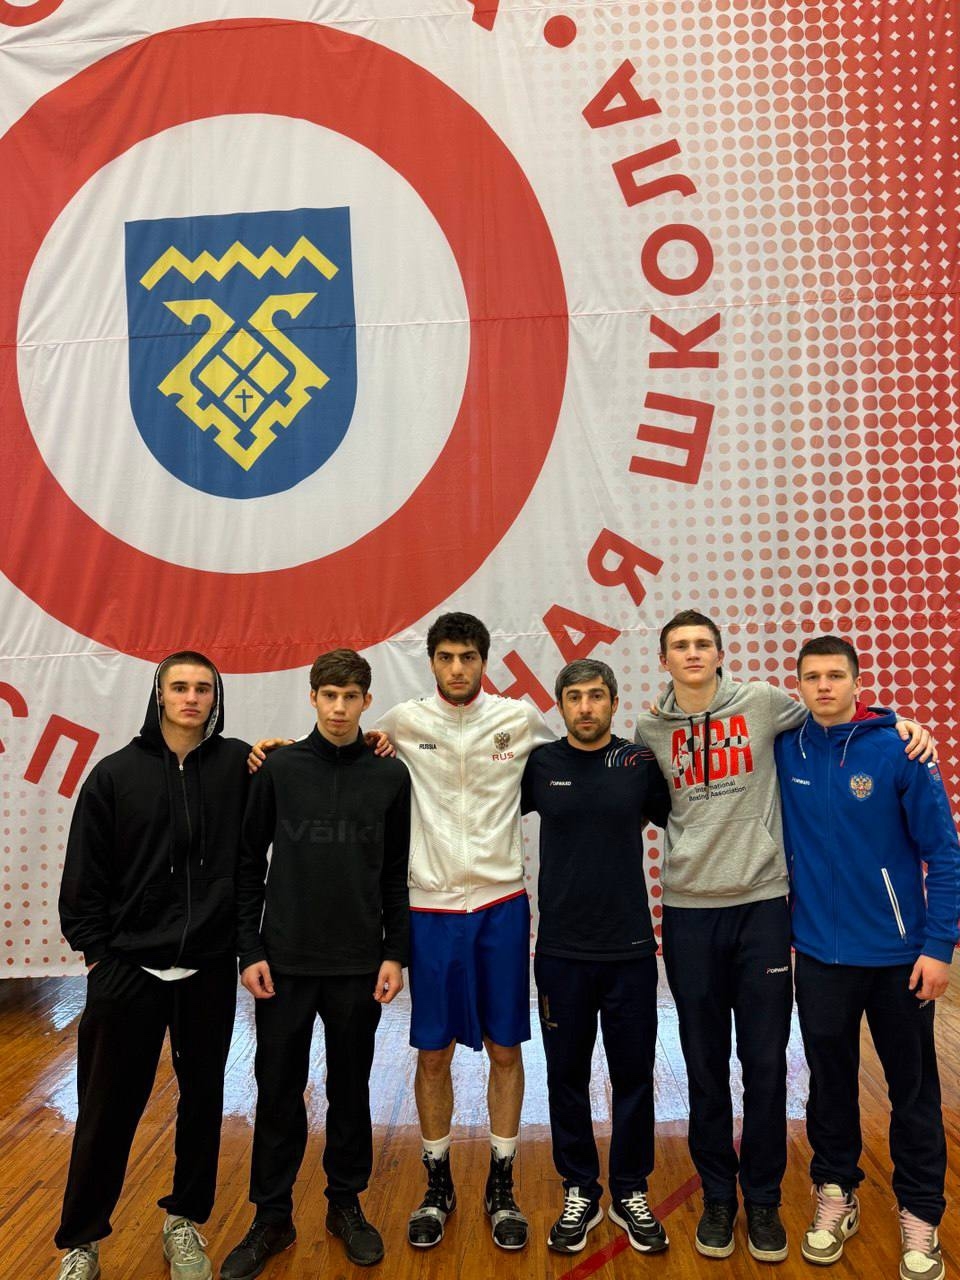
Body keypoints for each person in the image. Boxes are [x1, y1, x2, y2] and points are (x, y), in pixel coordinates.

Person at [633, 610, 932, 1265]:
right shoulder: (650, 730)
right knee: (704, 1065)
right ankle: (719, 1198)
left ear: (720, 653)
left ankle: (763, 1200)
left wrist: (900, 723)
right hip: (688, 912)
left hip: (763, 909)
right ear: (664, 660)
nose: (692, 653)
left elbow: (839, 718)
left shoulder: (765, 704)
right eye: (680, 646)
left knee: (765, 1065)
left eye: (702, 644)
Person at [55, 652, 250, 1280]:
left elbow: (302, 769)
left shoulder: (238, 766)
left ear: (215, 697)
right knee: (105, 1112)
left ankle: (184, 1221)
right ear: (159, 695)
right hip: (127, 973)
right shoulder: (114, 775)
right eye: (179, 687)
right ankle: (82, 1241)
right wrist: (98, 957)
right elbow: (83, 877)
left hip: (207, 971)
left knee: (203, 1104)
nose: (191, 697)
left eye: (203, 688)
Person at [221, 650, 410, 1279]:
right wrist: (250, 949)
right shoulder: (277, 768)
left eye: (351, 696)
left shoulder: (390, 775)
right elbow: (247, 865)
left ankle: (345, 1205)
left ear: (366, 701)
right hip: (284, 963)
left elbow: (396, 873)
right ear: (312, 697)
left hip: (358, 963)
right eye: (329, 695)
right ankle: (271, 1216)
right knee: (277, 1090)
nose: (339, 707)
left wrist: (394, 952)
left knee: (349, 1090)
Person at [775, 635, 959, 1280]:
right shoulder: (784, 748)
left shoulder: (900, 749)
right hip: (820, 957)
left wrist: (939, 947)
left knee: (913, 1091)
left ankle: (920, 1213)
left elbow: (945, 852)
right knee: (829, 1086)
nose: (824, 686)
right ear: (798, 685)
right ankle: (835, 1193)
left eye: (835, 675)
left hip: (899, 958)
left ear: (857, 682)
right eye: (812, 677)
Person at [374, 613, 554, 1251]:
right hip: (429, 911)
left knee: (506, 1049)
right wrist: (274, 749)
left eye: (469, 657)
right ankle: (437, 1185)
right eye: (447, 657)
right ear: (432, 661)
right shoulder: (403, 721)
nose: (458, 668)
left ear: (485, 660)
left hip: (501, 905)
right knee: (433, 1055)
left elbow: (575, 758)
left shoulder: (518, 718)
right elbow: (339, 750)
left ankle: (502, 1186)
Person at [521, 659, 671, 1255]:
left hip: (630, 950)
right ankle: (580, 1189)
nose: (585, 707)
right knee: (566, 1078)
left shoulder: (639, 764)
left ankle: (630, 1189)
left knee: (634, 1076)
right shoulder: (540, 765)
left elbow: (689, 809)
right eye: (575, 697)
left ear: (613, 701)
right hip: (560, 952)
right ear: (560, 705)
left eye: (596, 696)